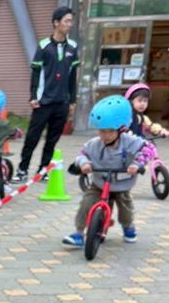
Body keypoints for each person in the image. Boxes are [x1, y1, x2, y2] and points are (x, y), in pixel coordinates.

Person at [62, 95, 146, 249]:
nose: (105, 136)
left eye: (110, 131)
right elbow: (82, 154)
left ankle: (128, 226)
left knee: (125, 207)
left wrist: (137, 164)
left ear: (121, 129)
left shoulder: (130, 141)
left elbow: (148, 150)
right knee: (86, 203)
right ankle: (79, 233)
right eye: (102, 131)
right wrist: (84, 163)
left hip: (121, 185)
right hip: (100, 182)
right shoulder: (95, 144)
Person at [15, 6, 80, 183]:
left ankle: (43, 170)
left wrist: (72, 101)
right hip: (43, 102)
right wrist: (33, 97)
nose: (70, 24)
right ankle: (22, 170)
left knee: (52, 139)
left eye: (71, 21)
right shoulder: (44, 46)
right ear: (56, 23)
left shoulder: (73, 47)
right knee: (32, 138)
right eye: (66, 21)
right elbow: (36, 73)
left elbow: (72, 76)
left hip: (62, 102)